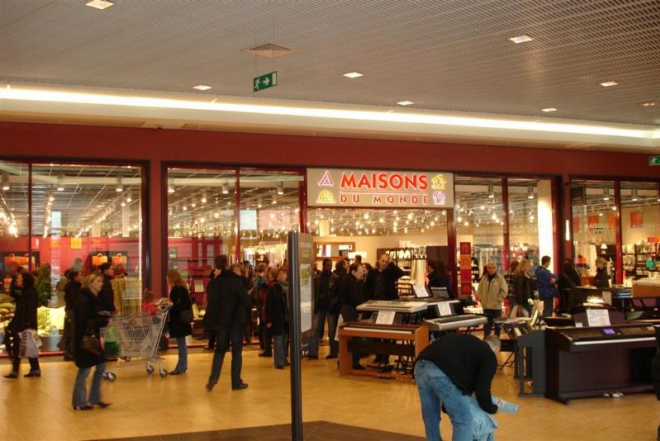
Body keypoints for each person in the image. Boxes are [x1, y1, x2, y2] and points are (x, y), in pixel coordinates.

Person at [414, 334, 510, 441]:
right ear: (497, 349)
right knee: (463, 420)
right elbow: (482, 391)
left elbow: (465, 386)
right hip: (440, 372)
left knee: (431, 416)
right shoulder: (489, 355)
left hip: (420, 366)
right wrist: (493, 408)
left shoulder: (470, 346)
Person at [204, 255, 251, 391]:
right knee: (236, 352)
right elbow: (247, 301)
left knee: (220, 350)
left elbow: (211, 301)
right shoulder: (235, 282)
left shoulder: (213, 283)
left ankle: (213, 378)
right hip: (235, 322)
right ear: (227, 264)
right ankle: (236, 382)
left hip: (221, 322)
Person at [71, 272, 111, 410]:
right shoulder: (84, 299)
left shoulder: (95, 298)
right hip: (85, 340)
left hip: (93, 339)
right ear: (91, 283)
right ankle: (79, 401)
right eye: (99, 281)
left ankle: (94, 397)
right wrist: (104, 321)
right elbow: (85, 320)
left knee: (100, 366)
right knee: (84, 370)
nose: (102, 283)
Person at [4, 272, 41, 378]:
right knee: (28, 346)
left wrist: (29, 324)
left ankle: (16, 371)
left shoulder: (30, 293)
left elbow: (30, 310)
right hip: (23, 324)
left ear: (25, 279)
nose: (17, 280)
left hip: (24, 325)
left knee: (19, 347)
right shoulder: (27, 292)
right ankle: (35, 369)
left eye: (19, 278)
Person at [308, 258, 340, 360]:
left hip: (330, 307)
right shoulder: (317, 278)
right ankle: (313, 352)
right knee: (316, 329)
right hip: (320, 307)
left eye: (330, 265)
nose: (329, 267)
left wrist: (333, 303)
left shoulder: (335, 278)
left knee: (332, 331)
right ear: (324, 265)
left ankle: (334, 352)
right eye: (328, 265)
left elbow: (337, 294)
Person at [339, 262, 367, 370]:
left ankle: (348, 361)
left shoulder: (348, 279)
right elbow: (355, 299)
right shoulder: (351, 282)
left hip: (347, 309)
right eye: (359, 272)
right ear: (353, 272)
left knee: (352, 337)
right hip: (351, 311)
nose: (361, 274)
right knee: (355, 337)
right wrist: (361, 310)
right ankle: (354, 362)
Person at [166, 270, 192, 375]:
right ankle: (182, 366)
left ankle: (180, 367)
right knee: (182, 344)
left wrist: (172, 306)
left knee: (181, 344)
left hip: (179, 321)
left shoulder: (177, 289)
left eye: (168, 278)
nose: (167, 280)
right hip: (181, 320)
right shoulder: (182, 288)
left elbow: (184, 304)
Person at [264, 267, 290, 369]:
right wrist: (268, 320)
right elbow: (268, 305)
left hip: (287, 318)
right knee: (278, 340)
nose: (282, 276)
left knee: (285, 340)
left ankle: (284, 359)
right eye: (280, 274)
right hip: (277, 318)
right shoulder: (273, 287)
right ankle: (279, 362)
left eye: (283, 273)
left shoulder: (289, 287)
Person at [476, 262, 507, 338]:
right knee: (486, 326)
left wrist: (499, 300)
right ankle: (486, 341)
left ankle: (497, 341)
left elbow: (504, 291)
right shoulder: (484, 278)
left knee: (497, 326)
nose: (491, 269)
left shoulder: (500, 279)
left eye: (493, 267)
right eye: (489, 267)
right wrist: (480, 298)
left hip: (496, 307)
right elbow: (479, 289)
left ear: (496, 268)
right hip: (486, 307)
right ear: (487, 268)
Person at [63, 270, 83, 360]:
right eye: (80, 275)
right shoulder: (74, 288)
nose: (81, 276)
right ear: (75, 277)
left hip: (71, 310)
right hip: (73, 310)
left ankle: (69, 352)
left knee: (72, 331)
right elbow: (76, 300)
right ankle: (70, 352)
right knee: (75, 331)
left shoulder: (71, 287)